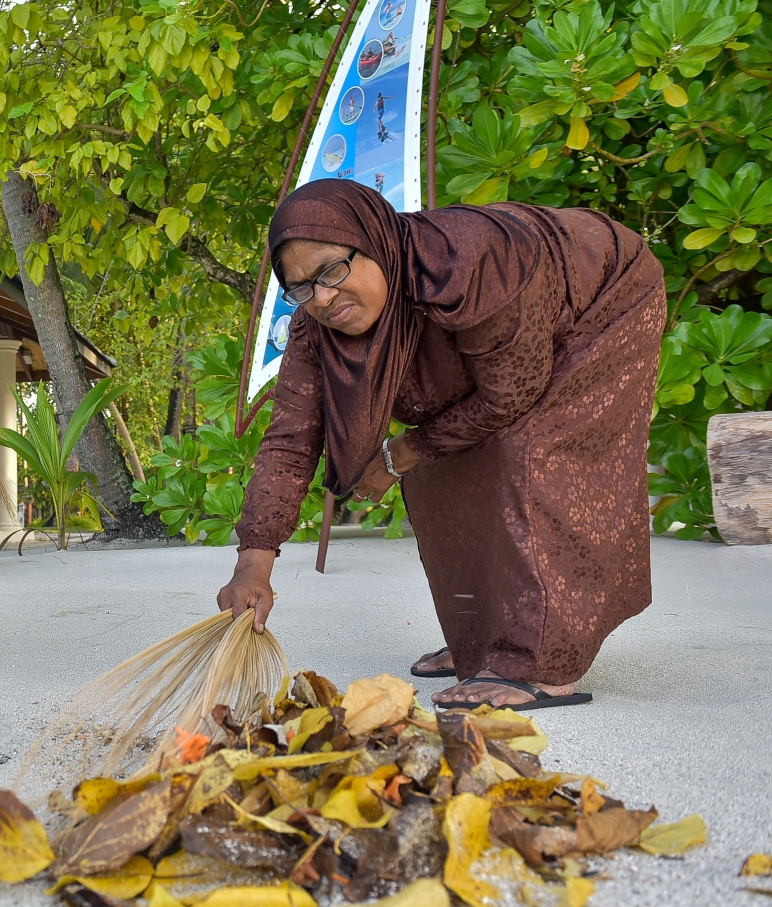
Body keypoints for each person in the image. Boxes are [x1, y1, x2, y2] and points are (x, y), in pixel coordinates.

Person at [219, 180, 664, 711]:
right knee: (438, 471)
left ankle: (539, 663)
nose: (322, 298)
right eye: (301, 288)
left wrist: (401, 453)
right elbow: (289, 443)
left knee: (527, 450)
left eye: (332, 271)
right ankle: (480, 645)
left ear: (374, 241)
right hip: (513, 345)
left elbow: (509, 397)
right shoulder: (313, 333)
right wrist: (254, 562)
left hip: (604, 297)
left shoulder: (471, 268)